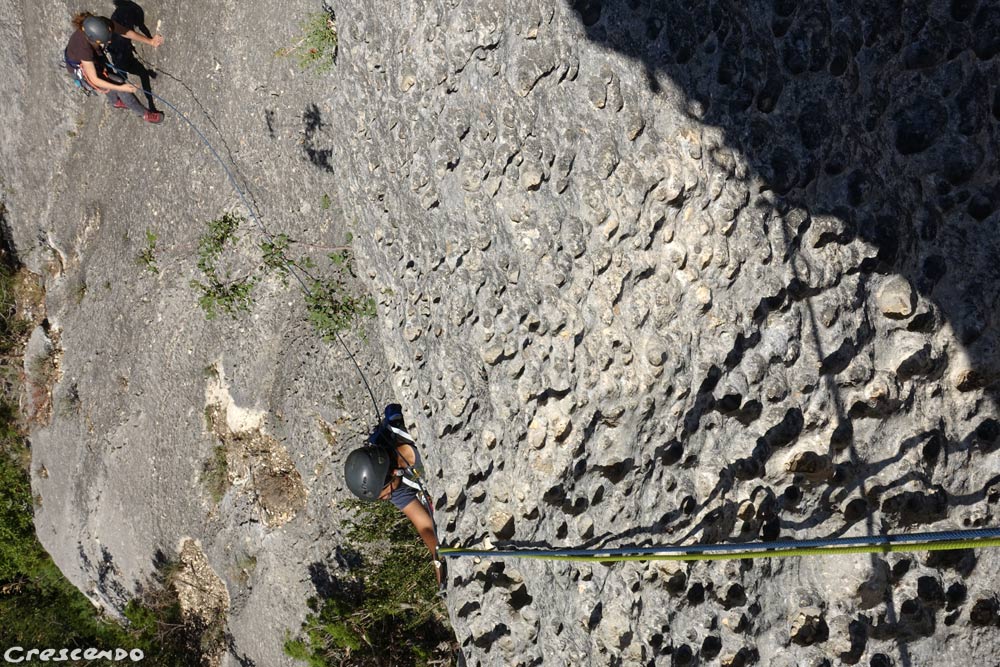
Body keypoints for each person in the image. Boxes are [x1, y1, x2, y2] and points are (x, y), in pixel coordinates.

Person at [344, 405, 443, 588]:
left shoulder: (415, 438)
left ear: (392, 472)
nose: (385, 499)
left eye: (384, 494)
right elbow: (424, 526)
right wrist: (438, 557)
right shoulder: (395, 488)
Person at [65, 13, 165, 123]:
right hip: (82, 69)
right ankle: (145, 114)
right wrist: (122, 88)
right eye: (105, 41)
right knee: (118, 83)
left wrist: (150, 41)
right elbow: (94, 79)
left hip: (93, 57)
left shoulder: (101, 24)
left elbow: (124, 31)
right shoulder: (83, 49)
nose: (109, 42)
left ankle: (116, 102)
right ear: (94, 41)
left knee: (109, 79)